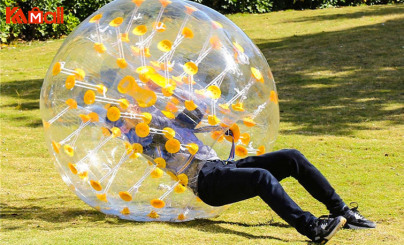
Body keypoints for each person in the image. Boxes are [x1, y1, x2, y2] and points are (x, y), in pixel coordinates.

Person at [106, 96, 375, 244]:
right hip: (208, 182)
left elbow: (195, 108)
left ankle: (343, 212)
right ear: (124, 124)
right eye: (127, 109)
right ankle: (312, 228)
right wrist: (134, 119)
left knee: (291, 157)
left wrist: (178, 93)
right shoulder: (143, 139)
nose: (134, 106)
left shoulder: (164, 121)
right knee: (261, 177)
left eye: (132, 104)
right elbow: (150, 129)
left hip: (223, 167)